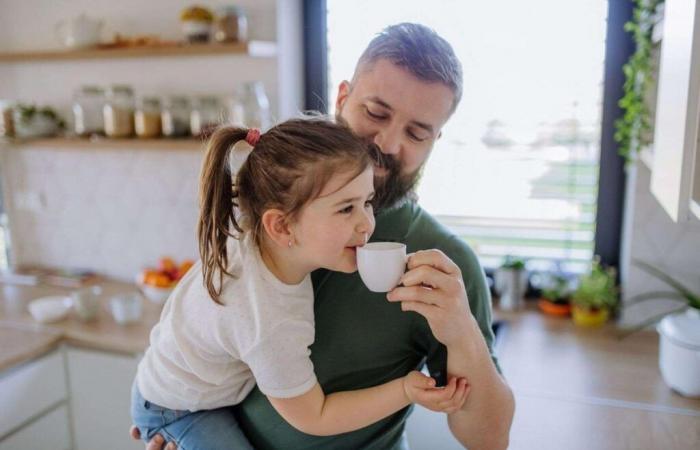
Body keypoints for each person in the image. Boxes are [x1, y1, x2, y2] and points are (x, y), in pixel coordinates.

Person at [135, 22, 515, 450]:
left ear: (435, 141)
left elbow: (488, 440)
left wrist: (460, 330)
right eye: (376, 113)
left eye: (417, 132)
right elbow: (199, 323)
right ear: (342, 98)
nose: (388, 144)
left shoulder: (445, 264)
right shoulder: (269, 203)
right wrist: (176, 414)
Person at [130, 118, 470, 450]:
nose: (367, 223)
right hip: (177, 411)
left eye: (366, 202)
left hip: (167, 385)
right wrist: (405, 391)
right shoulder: (268, 319)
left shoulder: (255, 238)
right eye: (345, 209)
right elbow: (316, 416)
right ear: (281, 227)